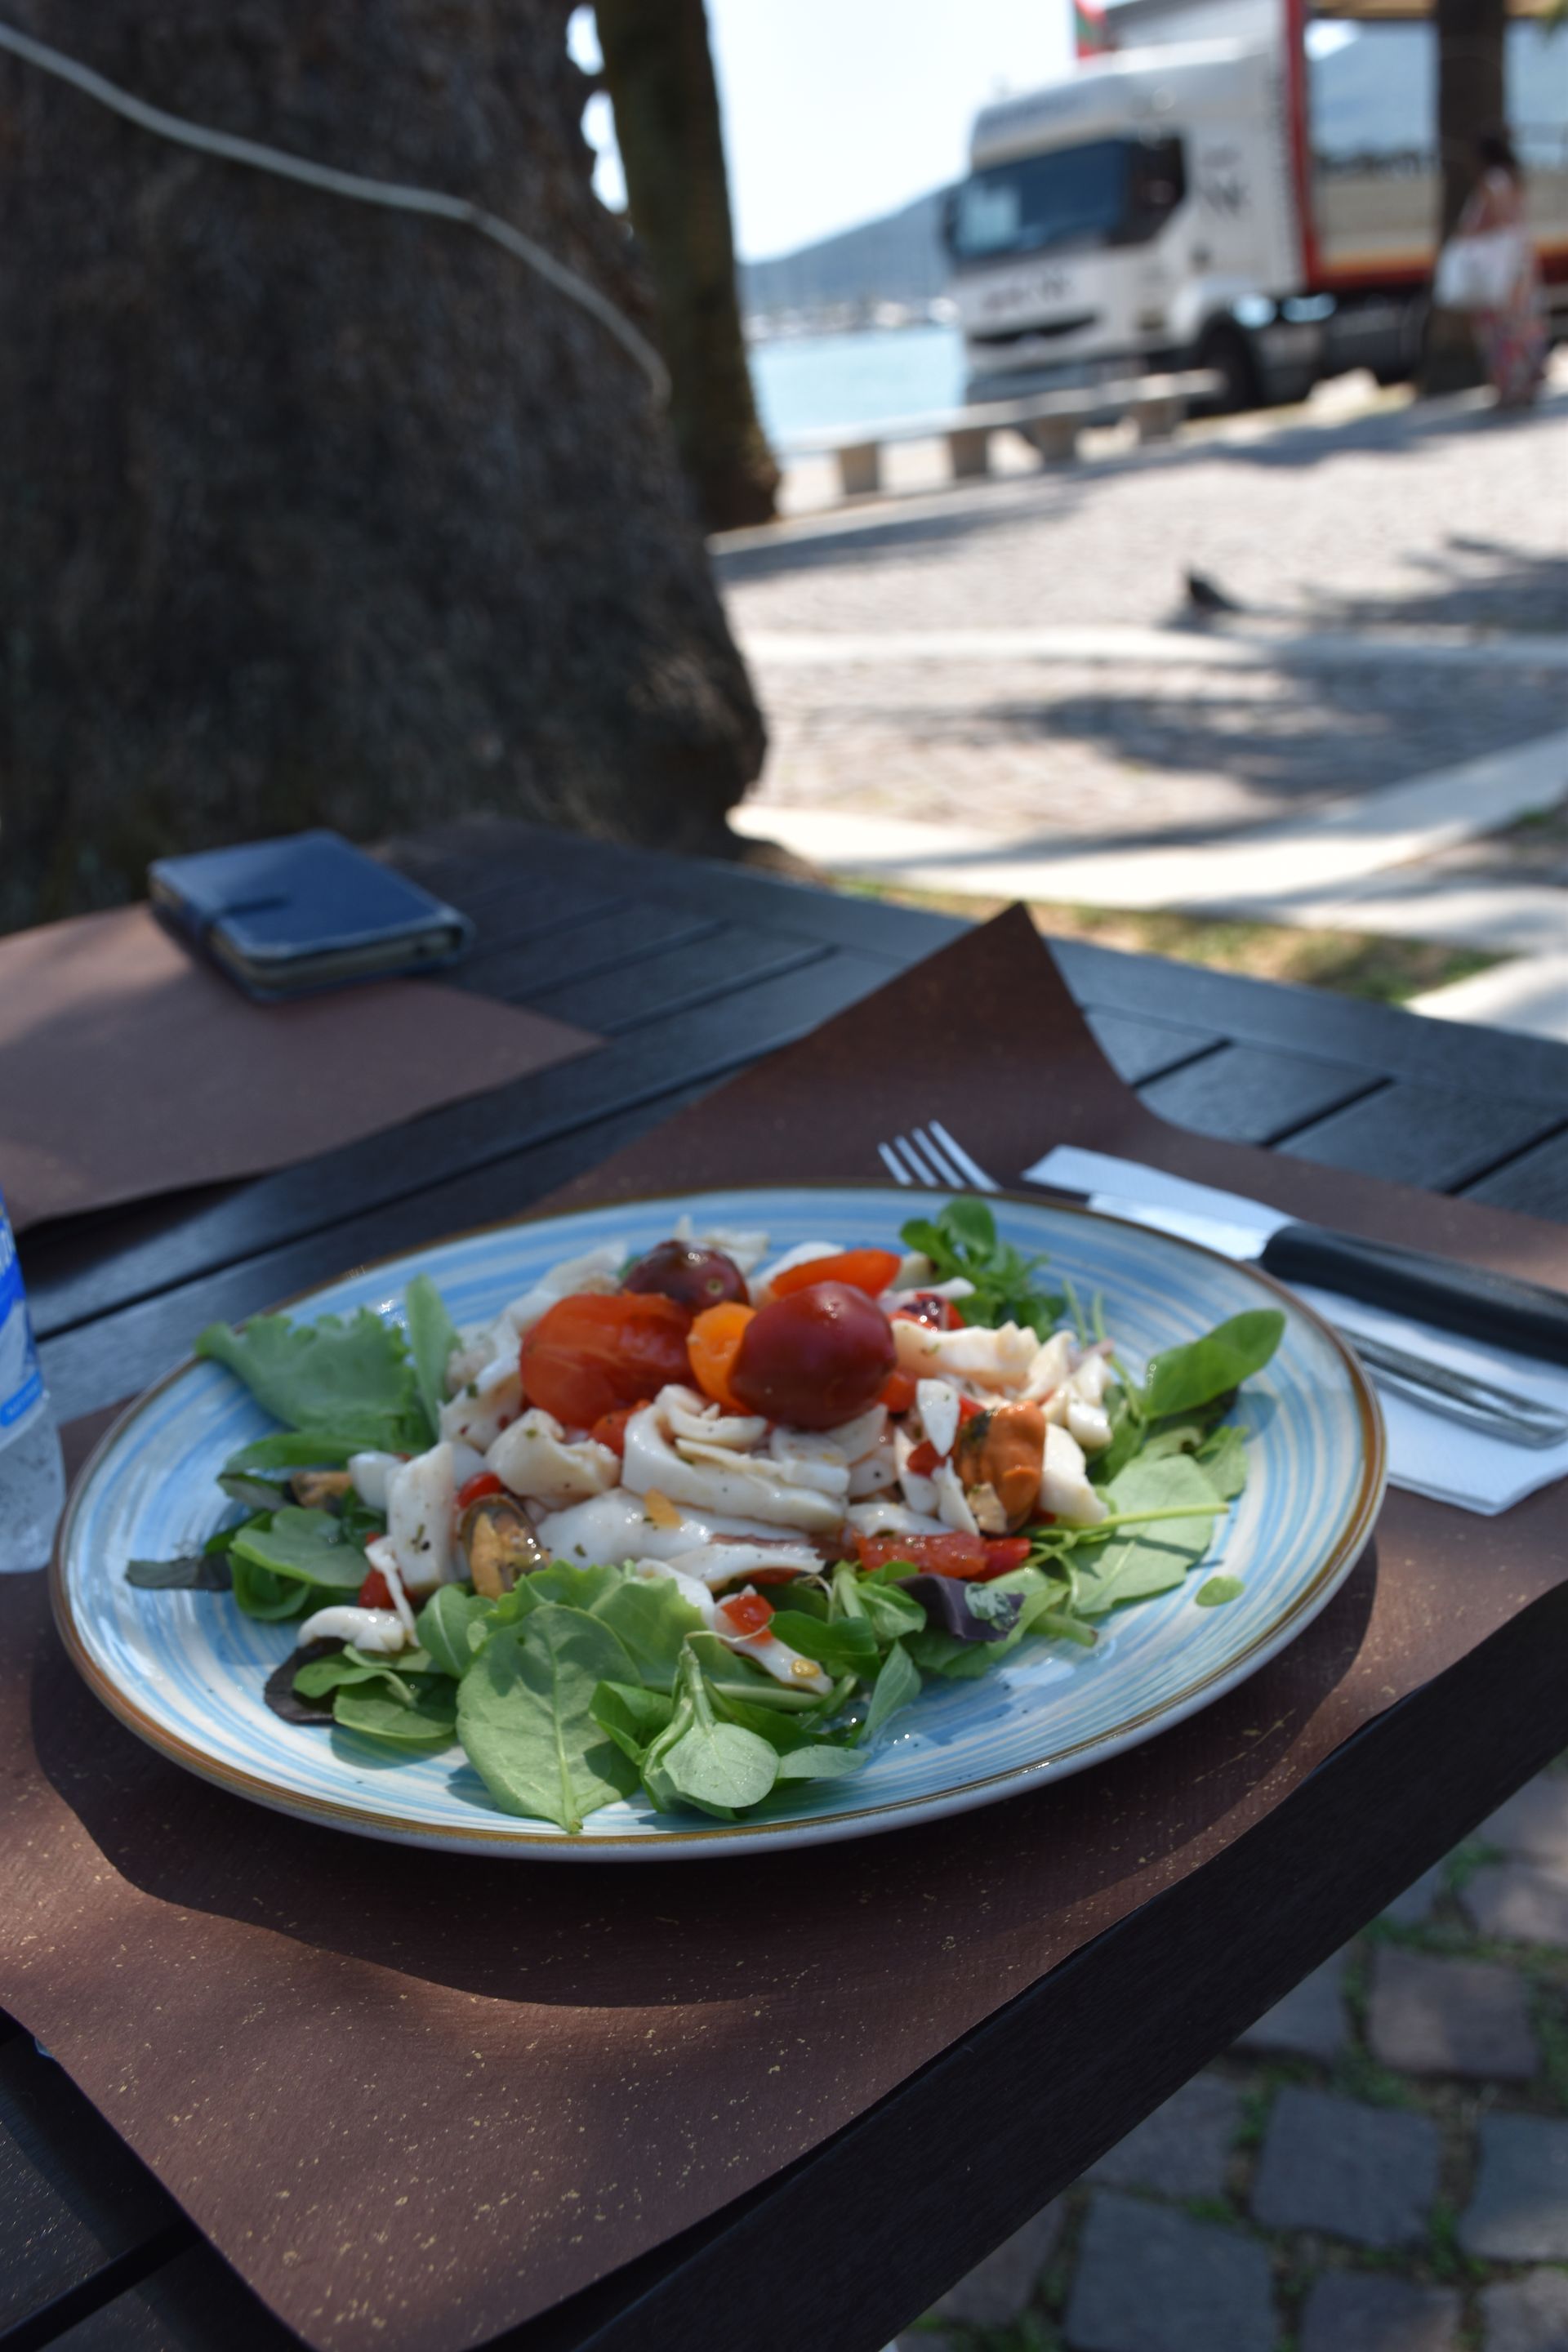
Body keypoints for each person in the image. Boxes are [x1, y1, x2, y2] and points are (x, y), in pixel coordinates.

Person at [1454, 127, 1547, 408]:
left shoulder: (1493, 181)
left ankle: (1511, 388)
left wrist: (1471, 231)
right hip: (1516, 261)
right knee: (1518, 324)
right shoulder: (1513, 179)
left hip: (1500, 268)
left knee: (1501, 329)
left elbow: (1499, 220)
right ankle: (1522, 384)